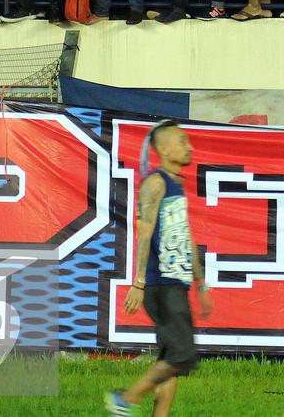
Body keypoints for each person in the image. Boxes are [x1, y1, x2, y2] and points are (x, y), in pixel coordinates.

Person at [106, 121, 212, 417]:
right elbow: (144, 233)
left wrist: (201, 284)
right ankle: (125, 399)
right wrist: (139, 283)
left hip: (176, 284)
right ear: (164, 149)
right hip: (160, 285)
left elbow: (184, 234)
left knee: (170, 361)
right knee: (182, 355)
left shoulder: (175, 184)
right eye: (182, 141)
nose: (189, 146)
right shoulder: (155, 183)